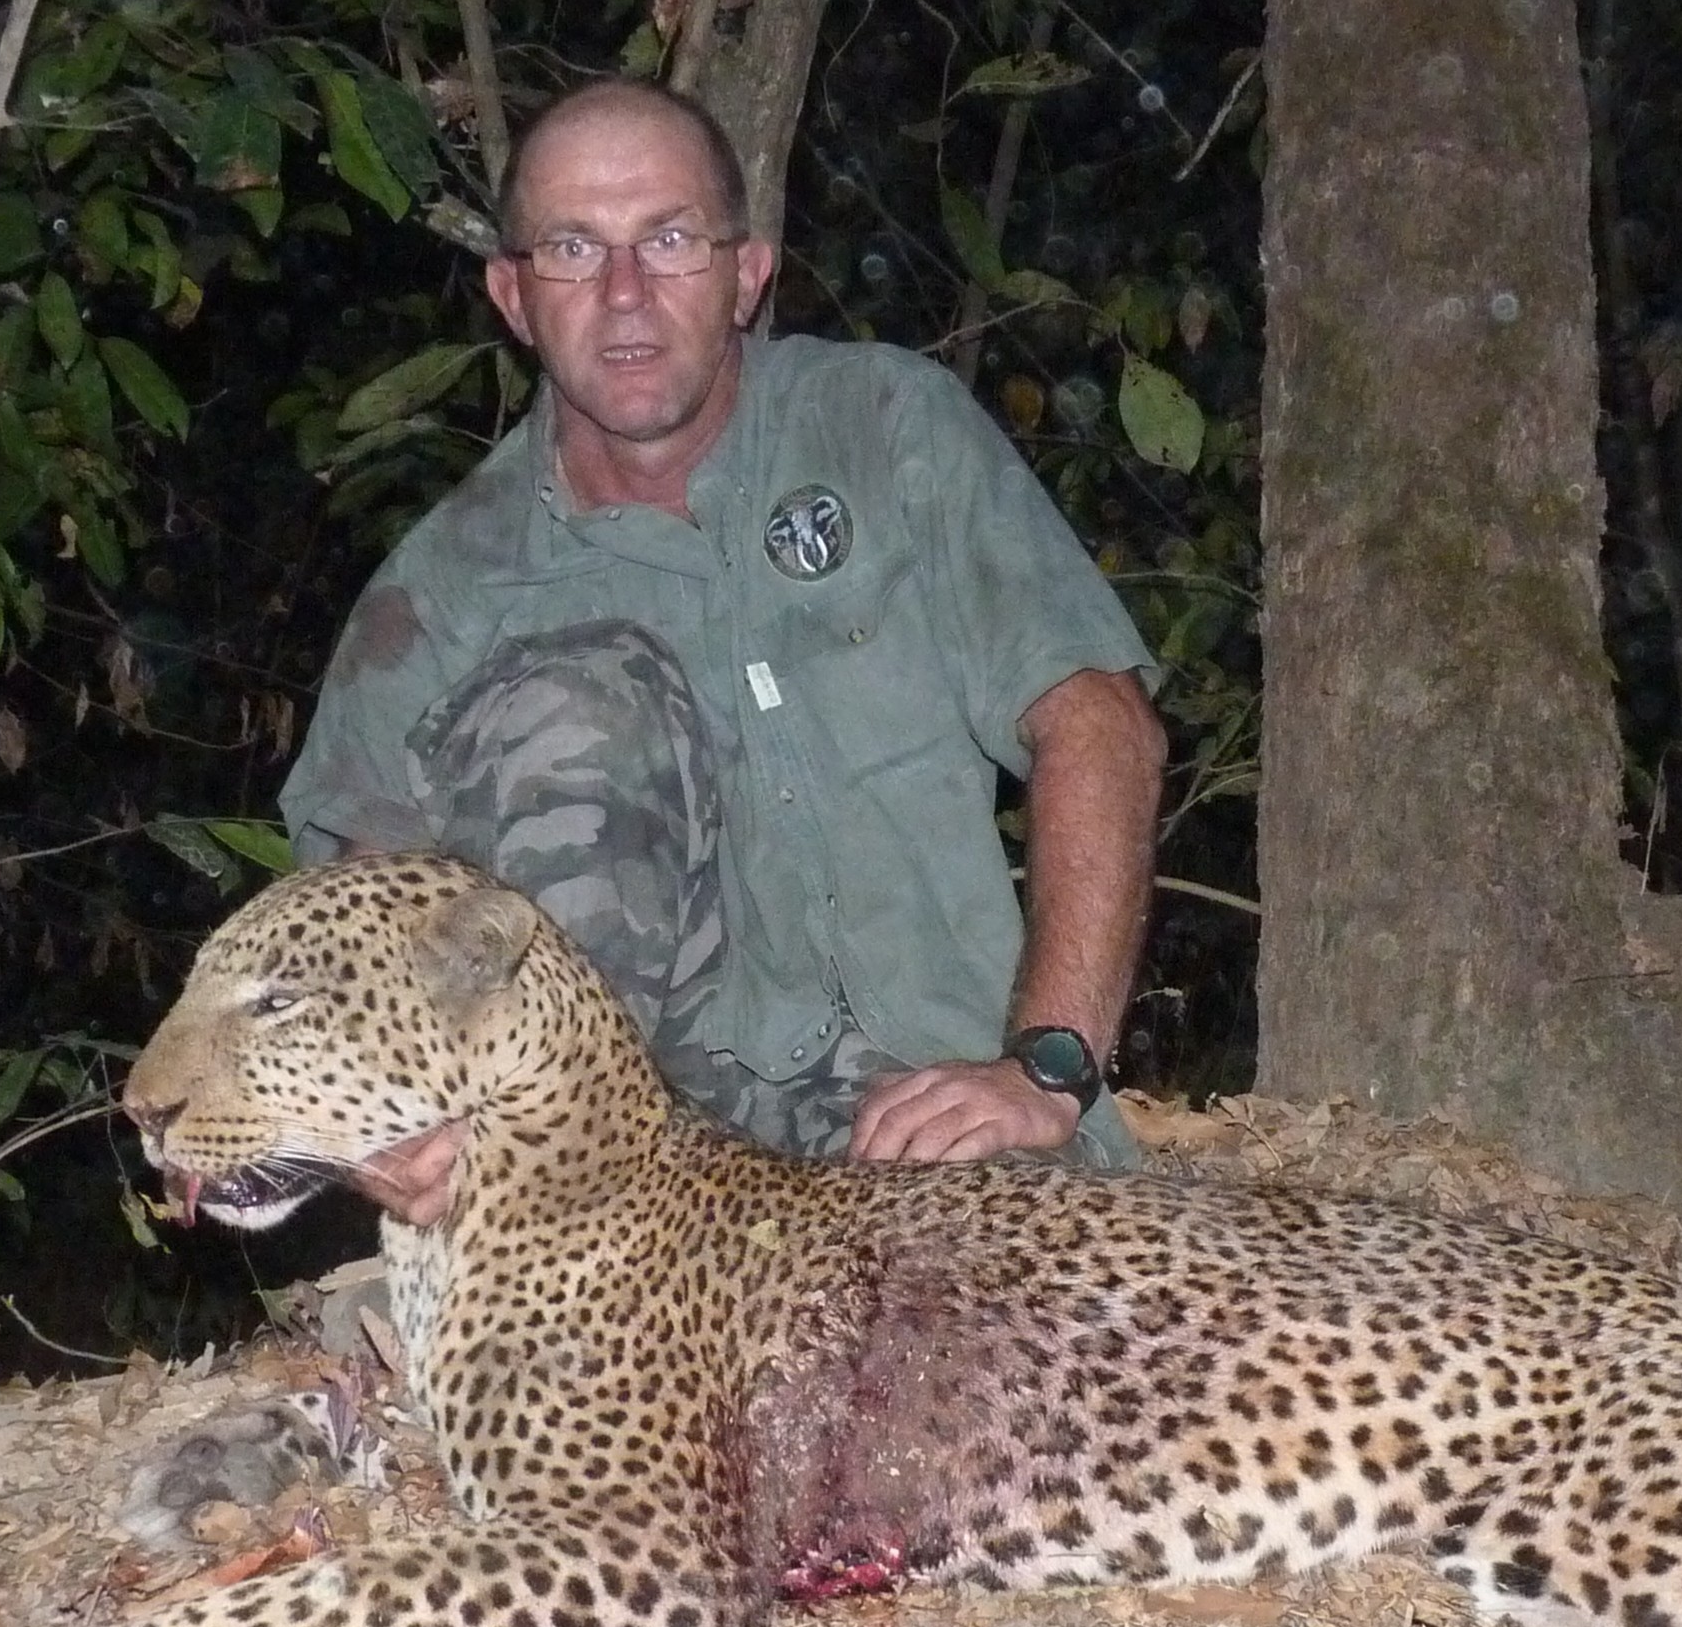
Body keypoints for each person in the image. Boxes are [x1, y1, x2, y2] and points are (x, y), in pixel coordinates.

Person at [278, 78, 1165, 1167]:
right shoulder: (441, 591)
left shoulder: (886, 428)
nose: (622, 294)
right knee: (574, 701)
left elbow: (1097, 721)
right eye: (570, 247)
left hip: (943, 1128)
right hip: (633, 1192)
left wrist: (1045, 1066)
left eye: (669, 240)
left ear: (746, 275)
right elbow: (349, 914)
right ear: (510, 298)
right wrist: (389, 1125)